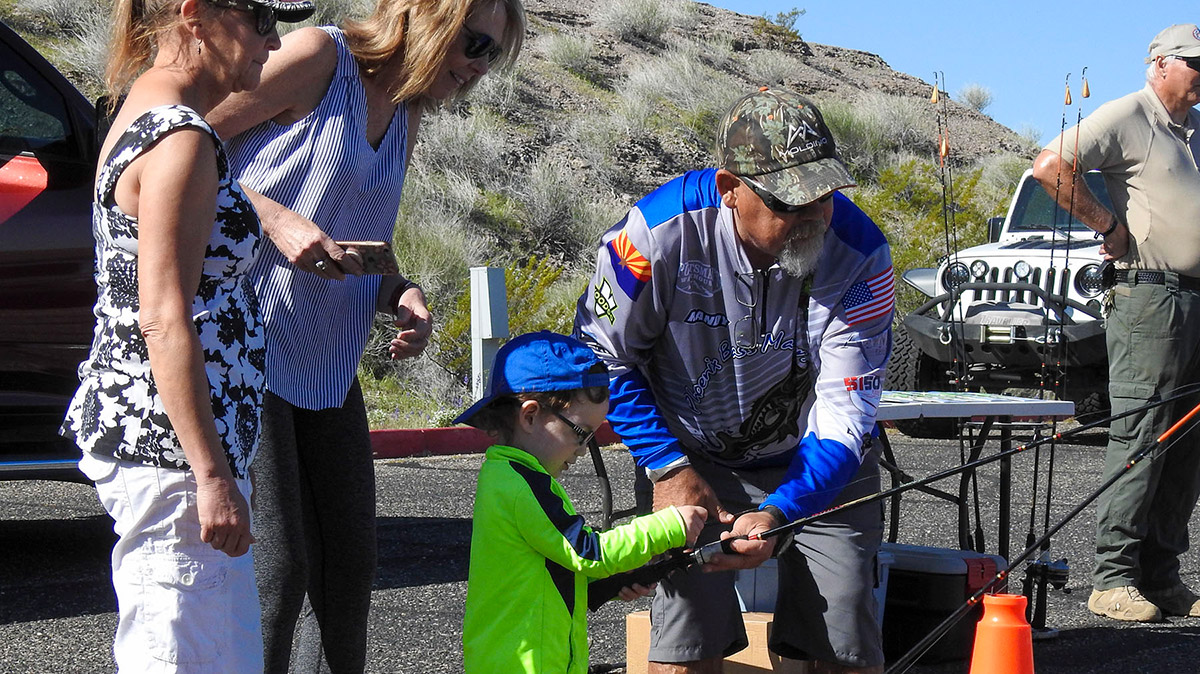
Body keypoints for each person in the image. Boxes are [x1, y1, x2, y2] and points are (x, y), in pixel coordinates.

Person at [203, 0, 526, 669]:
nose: (476, 66)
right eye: (472, 43)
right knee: (279, 578)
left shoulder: (405, 114)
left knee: (348, 576)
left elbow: (362, 245)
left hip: (327, 362)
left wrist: (400, 292)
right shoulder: (318, 58)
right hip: (247, 349)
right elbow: (179, 145)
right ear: (423, 15)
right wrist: (271, 218)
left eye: (491, 54)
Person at [574, 87, 893, 674]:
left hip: (817, 460)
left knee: (845, 634)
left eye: (824, 195)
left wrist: (780, 511)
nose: (813, 216)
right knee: (684, 639)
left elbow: (844, 418)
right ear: (729, 189)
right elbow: (603, 355)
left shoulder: (863, 255)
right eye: (788, 202)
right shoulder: (649, 237)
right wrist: (667, 466)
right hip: (691, 457)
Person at [58, 0, 314, 671]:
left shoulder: (152, 109)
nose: (275, 39)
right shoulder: (180, 139)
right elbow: (163, 317)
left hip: (179, 447)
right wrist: (211, 476)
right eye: (261, 18)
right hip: (173, 458)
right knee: (177, 654)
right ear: (196, 16)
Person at [1032, 23, 1200, 624]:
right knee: (1144, 432)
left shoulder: (1191, 130)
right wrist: (1108, 227)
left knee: (1185, 442)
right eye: (1193, 63)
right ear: (1159, 64)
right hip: (1151, 299)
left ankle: (1161, 576)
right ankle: (1112, 578)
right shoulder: (1129, 114)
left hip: (1193, 301)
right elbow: (1052, 165)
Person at [457, 331, 707, 673]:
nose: (583, 449)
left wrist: (611, 582)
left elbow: (551, 572)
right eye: (581, 434)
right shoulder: (519, 483)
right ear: (529, 416)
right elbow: (587, 553)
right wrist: (669, 525)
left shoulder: (514, 477)